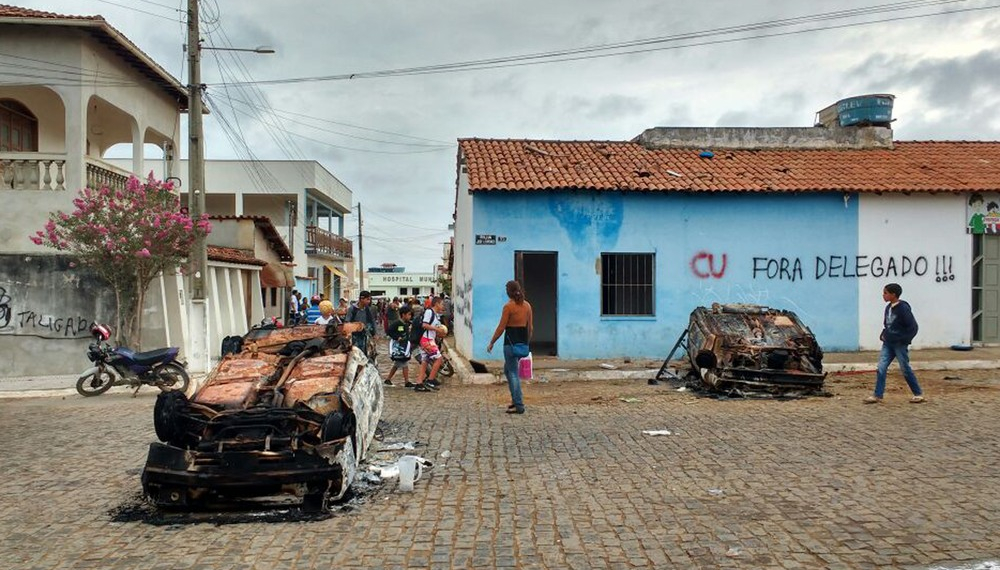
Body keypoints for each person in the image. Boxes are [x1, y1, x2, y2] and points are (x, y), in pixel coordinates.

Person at [865, 283, 925, 404]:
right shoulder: (888, 308)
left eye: (886, 293)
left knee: (905, 368)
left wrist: (904, 340)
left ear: (893, 294)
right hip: (888, 343)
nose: (883, 295)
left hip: (899, 344)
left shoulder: (903, 308)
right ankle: (878, 395)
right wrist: (884, 334)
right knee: (881, 367)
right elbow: (887, 324)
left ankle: (918, 394)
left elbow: (913, 327)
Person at [487, 280, 533, 414]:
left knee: (512, 373)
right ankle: (515, 400)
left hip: (510, 344)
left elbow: (501, 327)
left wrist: (492, 342)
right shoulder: (527, 306)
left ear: (508, 292)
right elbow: (530, 327)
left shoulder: (508, 307)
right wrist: (526, 342)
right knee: (508, 370)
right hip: (522, 344)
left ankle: (519, 404)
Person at [414, 296, 447, 392]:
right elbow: (424, 325)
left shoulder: (436, 315)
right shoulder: (429, 312)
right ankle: (430, 380)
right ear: (436, 304)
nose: (443, 306)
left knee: (425, 361)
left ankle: (419, 383)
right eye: (441, 304)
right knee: (439, 359)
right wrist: (437, 329)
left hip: (428, 339)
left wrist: (439, 333)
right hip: (427, 340)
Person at [384, 305, 414, 387]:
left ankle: (388, 379)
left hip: (404, 346)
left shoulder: (406, 324)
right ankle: (407, 382)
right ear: (403, 315)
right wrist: (397, 337)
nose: (410, 316)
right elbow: (389, 331)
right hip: (399, 347)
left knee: (397, 364)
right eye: (408, 314)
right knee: (404, 363)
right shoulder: (397, 323)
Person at [346, 291, 377, 356]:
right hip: (354, 336)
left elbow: (372, 321)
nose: (369, 301)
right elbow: (347, 322)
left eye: (369, 299)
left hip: (365, 336)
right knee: (356, 354)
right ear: (361, 299)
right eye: (367, 299)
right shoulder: (352, 309)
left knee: (367, 354)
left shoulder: (368, 309)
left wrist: (374, 333)